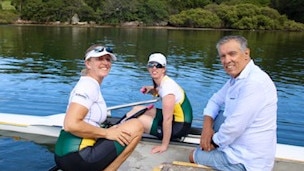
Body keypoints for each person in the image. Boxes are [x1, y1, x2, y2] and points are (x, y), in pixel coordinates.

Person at [189, 35, 278, 171]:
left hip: (247, 161)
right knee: (218, 115)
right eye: (223, 56)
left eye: (232, 54)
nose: (227, 60)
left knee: (193, 155)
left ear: (246, 54)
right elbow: (215, 100)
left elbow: (235, 126)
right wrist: (207, 129)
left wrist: (212, 142)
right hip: (236, 147)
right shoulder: (237, 79)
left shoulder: (254, 83)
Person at [53, 44, 144, 171]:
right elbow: (71, 124)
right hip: (78, 158)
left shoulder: (90, 84)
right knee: (136, 125)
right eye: (100, 59)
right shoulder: (88, 86)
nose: (105, 63)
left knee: (118, 128)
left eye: (108, 59)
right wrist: (107, 133)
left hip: (66, 157)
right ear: (88, 64)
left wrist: (110, 130)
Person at [126, 53, 193, 154]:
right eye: (151, 65)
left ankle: (120, 132)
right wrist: (150, 90)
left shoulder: (168, 89)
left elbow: (167, 119)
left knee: (138, 119)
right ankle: (123, 127)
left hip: (179, 127)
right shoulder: (163, 82)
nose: (154, 68)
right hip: (176, 118)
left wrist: (164, 145)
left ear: (163, 69)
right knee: (137, 109)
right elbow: (159, 91)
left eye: (158, 65)